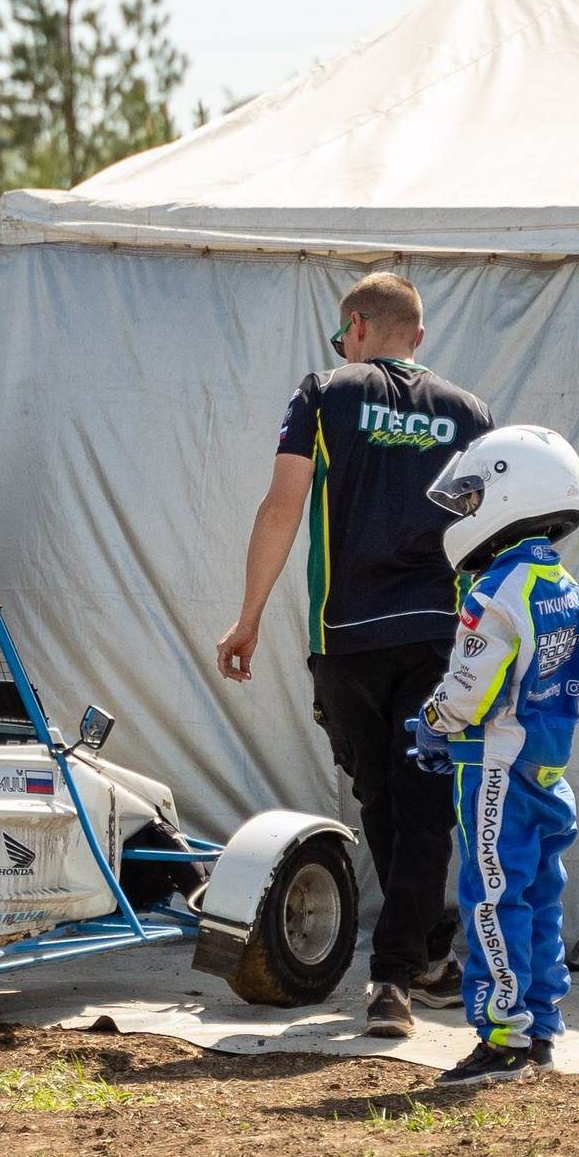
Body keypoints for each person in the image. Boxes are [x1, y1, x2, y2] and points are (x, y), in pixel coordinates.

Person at [216, 273, 492, 1036]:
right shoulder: (470, 415)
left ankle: (393, 976)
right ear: (420, 337)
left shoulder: (322, 394)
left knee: (387, 799)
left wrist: (248, 618)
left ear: (358, 327)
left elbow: (283, 506)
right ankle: (422, 957)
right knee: (418, 804)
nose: (341, 349)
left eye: (343, 338)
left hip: (345, 638)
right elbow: (484, 534)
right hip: (436, 633)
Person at [410, 425, 579, 1087]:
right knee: (539, 897)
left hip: (496, 766)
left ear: (509, 491)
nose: (464, 511)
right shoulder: (563, 586)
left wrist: (433, 723)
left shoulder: (496, 589)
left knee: (491, 898)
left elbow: (469, 688)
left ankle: (503, 1040)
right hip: (547, 768)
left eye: (472, 497)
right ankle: (539, 1028)